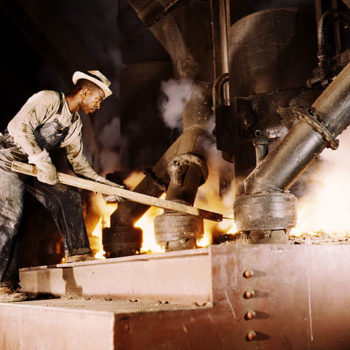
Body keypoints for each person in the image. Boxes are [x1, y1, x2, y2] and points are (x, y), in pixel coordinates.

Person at [0, 70, 122, 302]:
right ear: (85, 92)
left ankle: (79, 253)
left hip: (34, 168)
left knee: (68, 196)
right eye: (97, 99)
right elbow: (17, 127)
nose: (98, 106)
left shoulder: (74, 125)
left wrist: (104, 185)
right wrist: (40, 158)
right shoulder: (48, 99)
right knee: (8, 219)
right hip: (8, 161)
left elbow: (79, 164)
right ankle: (2, 286)